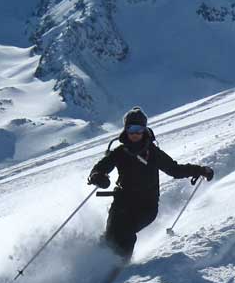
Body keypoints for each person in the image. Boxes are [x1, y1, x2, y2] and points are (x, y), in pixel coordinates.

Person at [87, 107, 213, 260]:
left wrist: (199, 170)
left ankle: (119, 265)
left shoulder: (152, 153)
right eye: (131, 129)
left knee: (125, 232)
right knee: (111, 235)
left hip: (147, 206)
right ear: (126, 129)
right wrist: (97, 176)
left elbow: (175, 169)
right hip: (122, 201)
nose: (135, 134)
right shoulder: (120, 152)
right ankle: (94, 262)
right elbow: (100, 168)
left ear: (144, 129)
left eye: (139, 129)